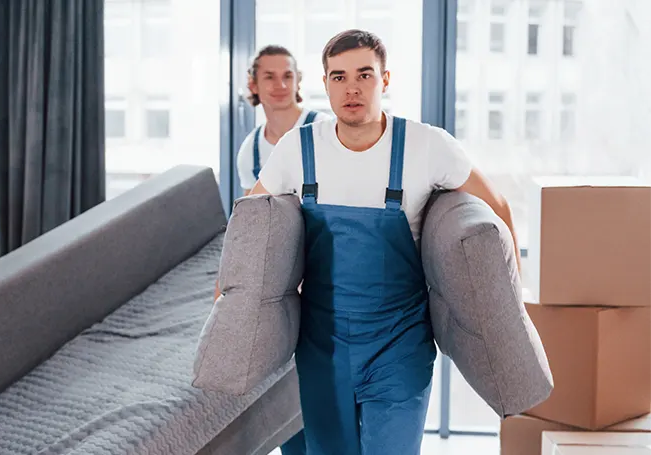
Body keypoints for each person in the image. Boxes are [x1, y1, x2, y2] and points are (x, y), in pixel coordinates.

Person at [221, 30, 520, 454]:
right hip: (322, 347)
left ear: (385, 79)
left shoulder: (427, 145)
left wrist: (515, 310)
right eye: (339, 77)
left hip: (400, 346)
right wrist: (223, 308)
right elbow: (245, 230)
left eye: (364, 74)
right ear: (324, 84)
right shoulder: (297, 149)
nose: (352, 88)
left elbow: (499, 208)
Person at [236, 45, 330, 196]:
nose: (281, 85)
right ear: (253, 85)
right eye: (269, 77)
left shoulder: (324, 129)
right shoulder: (250, 151)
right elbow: (250, 212)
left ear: (297, 82)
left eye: (287, 76)